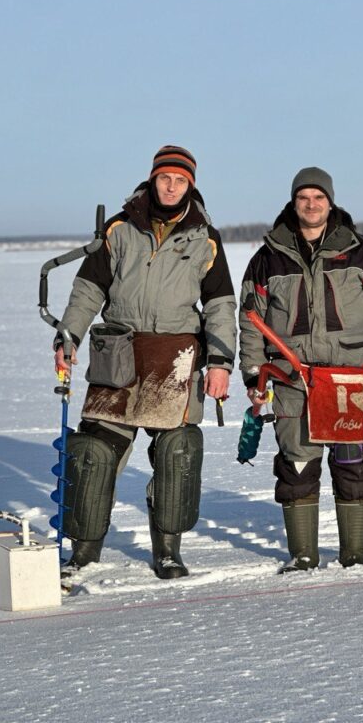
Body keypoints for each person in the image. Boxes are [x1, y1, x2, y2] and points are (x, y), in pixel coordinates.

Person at [53, 145, 236, 580]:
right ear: (152, 179)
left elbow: (220, 305)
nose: (171, 187)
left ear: (191, 184)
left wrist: (221, 361)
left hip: (176, 358)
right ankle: (83, 551)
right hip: (117, 351)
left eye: (180, 180)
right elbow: (88, 289)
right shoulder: (119, 228)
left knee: (176, 454)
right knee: (95, 452)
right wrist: (69, 334)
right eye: (164, 178)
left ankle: (167, 550)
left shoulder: (205, 237)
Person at [238, 167, 363, 572]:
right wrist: (253, 372)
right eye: (304, 198)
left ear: (330, 202)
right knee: (297, 463)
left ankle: (354, 554)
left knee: (353, 462)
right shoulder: (267, 258)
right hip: (291, 379)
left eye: (318, 197)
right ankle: (303, 555)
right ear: (293, 202)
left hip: (348, 378)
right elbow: (250, 319)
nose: (311, 205)